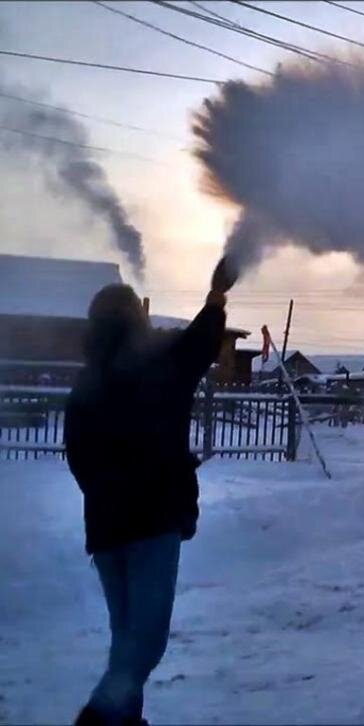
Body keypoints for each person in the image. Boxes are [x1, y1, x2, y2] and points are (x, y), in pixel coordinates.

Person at [66, 259, 237, 725]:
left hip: (104, 528)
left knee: (126, 637)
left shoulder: (87, 382)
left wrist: (104, 494)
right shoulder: (158, 365)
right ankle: (100, 717)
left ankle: (126, 720)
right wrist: (217, 295)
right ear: (136, 321)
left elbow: (76, 456)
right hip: (154, 522)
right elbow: (201, 343)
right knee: (146, 643)